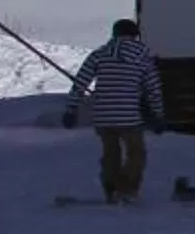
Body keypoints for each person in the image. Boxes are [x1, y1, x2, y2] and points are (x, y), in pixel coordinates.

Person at [62, 18, 168, 204]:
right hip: (129, 115)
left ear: (115, 34)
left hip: (103, 115)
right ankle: (127, 190)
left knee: (111, 153)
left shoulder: (99, 54)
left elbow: (80, 82)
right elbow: (153, 89)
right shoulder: (143, 57)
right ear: (135, 35)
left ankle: (111, 190)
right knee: (136, 153)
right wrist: (158, 115)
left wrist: (71, 108)